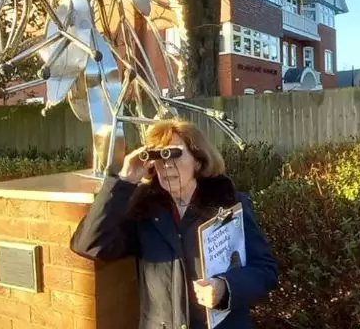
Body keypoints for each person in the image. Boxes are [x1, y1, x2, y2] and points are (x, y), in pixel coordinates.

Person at [70, 119, 278, 329]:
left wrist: (226, 287)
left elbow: (264, 269)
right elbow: (91, 244)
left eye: (175, 154)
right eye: (158, 157)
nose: (167, 164)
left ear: (198, 161)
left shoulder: (229, 204)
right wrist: (123, 182)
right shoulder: (145, 211)